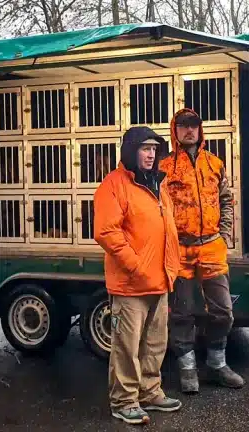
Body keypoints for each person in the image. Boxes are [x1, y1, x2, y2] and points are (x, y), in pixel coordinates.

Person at [93, 126, 182, 425]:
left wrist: (172, 268)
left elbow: (167, 229)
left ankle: (149, 392)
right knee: (126, 347)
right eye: (145, 148)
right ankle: (124, 401)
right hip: (130, 285)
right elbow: (106, 232)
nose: (151, 154)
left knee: (155, 344)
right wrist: (136, 266)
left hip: (160, 281)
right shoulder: (113, 185)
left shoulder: (158, 184)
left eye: (154, 149)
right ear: (131, 151)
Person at [159, 108, 245, 393]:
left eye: (193, 125)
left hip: (211, 247)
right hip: (180, 250)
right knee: (181, 313)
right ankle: (187, 370)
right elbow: (158, 208)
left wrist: (223, 235)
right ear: (175, 130)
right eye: (183, 125)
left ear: (200, 130)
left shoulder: (214, 164)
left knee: (223, 311)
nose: (189, 130)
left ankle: (217, 365)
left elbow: (226, 200)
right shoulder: (164, 167)